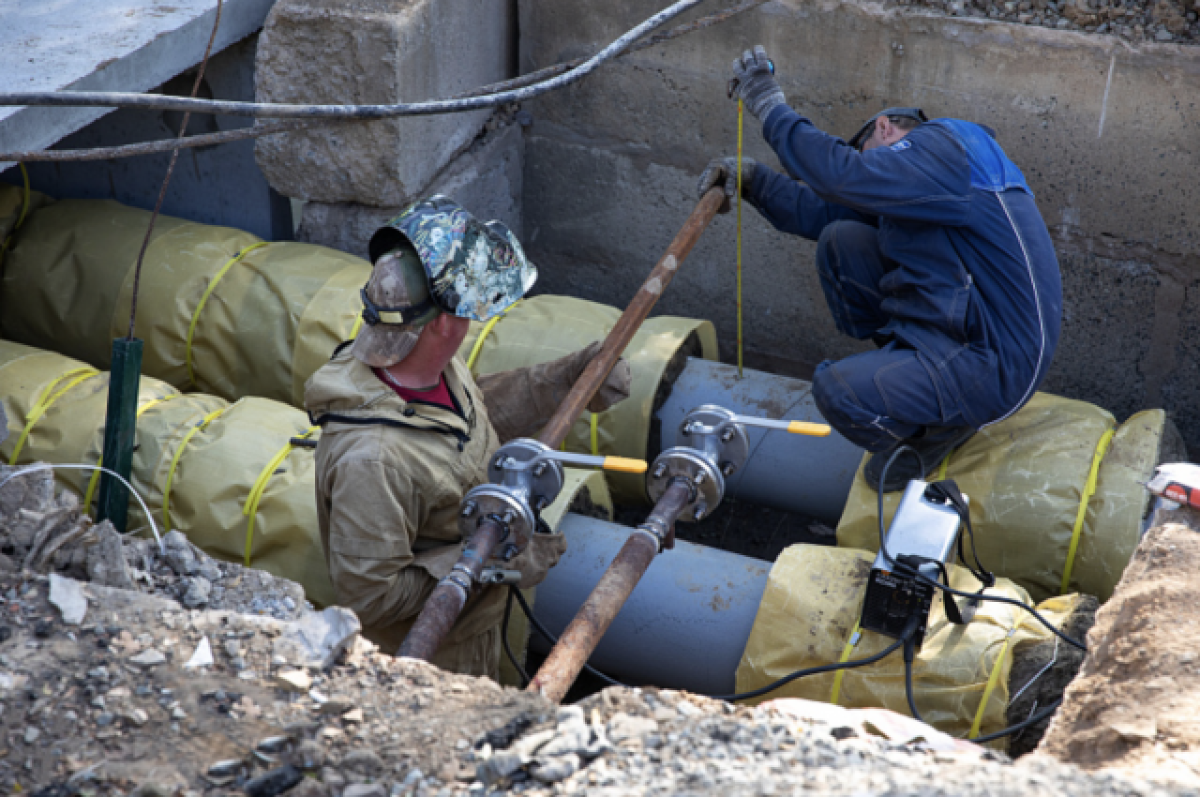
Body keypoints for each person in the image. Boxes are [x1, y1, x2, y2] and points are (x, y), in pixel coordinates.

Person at [699, 46, 1062, 491]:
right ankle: (914, 379)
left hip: (996, 361)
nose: (866, 169)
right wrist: (754, 180)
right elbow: (823, 211)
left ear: (884, 128)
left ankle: (935, 430)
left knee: (838, 390)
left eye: (865, 152)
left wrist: (768, 103)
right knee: (842, 241)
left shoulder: (947, 148)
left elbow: (842, 176)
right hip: (967, 335)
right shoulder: (924, 185)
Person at [304, 195, 632, 678]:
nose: (476, 318)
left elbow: (470, 420)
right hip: (434, 660)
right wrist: (495, 559)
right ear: (442, 322)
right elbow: (370, 596)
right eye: (471, 305)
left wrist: (562, 380)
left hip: (476, 627)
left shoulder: (421, 363)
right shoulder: (373, 460)